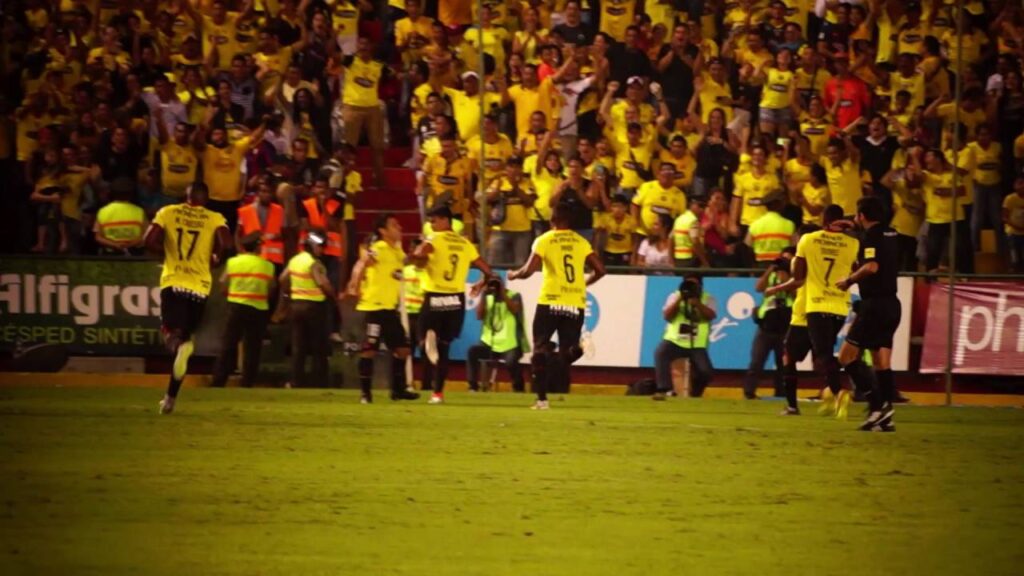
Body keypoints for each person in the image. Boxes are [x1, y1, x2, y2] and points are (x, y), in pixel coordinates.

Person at [144, 183, 231, 415]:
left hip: (174, 281)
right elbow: (228, 244)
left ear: (186, 196)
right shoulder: (214, 218)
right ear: (207, 199)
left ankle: (179, 346)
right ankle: (169, 400)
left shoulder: (168, 212)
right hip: (200, 287)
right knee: (185, 341)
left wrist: (167, 254)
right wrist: (215, 258)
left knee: (172, 337)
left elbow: (149, 241)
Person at [508, 204, 606, 410]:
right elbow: (600, 269)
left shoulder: (545, 240)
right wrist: (584, 283)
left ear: (552, 221)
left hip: (551, 301)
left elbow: (529, 270)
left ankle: (542, 400)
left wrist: (514, 274)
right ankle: (579, 347)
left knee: (540, 351)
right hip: (574, 303)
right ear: (569, 222)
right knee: (565, 355)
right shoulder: (581, 241)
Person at [766, 204, 858, 419]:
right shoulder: (851, 243)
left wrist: (776, 288)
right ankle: (828, 394)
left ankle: (795, 405)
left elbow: (797, 280)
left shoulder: (808, 246)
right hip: (838, 306)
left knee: (791, 356)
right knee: (822, 357)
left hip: (806, 311)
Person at [411, 206, 495, 404]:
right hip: (456, 300)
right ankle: (437, 394)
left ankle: (427, 340)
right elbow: (488, 270)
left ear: (445, 221)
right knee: (445, 348)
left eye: (434, 221)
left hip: (435, 296)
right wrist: (481, 283)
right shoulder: (465, 243)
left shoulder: (434, 239)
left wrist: (418, 258)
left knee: (421, 336)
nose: (431, 225)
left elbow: (421, 255)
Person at [836, 197, 901, 432]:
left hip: (874, 305)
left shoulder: (871, 237)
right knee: (881, 361)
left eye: (856, 215)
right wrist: (855, 230)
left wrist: (849, 280)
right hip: (893, 304)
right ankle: (887, 414)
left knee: (846, 357)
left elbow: (872, 266)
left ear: (862, 215)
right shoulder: (892, 234)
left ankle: (876, 406)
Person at [346, 214, 421, 403]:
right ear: (383, 231)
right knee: (369, 349)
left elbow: (407, 262)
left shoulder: (396, 250)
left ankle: (397, 390)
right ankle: (365, 393)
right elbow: (362, 263)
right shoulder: (378, 248)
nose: (400, 227)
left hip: (389, 308)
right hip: (374, 307)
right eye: (394, 225)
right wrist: (354, 284)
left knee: (403, 349)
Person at [211, 232, 275, 388]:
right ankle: (247, 383)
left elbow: (222, 284)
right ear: (258, 246)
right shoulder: (267, 266)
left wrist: (231, 295)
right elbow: (271, 289)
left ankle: (219, 381)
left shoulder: (233, 262)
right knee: (253, 348)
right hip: (258, 309)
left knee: (228, 344)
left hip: (236, 306)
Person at [279, 232, 336, 389]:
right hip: (314, 308)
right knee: (319, 346)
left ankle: (295, 381)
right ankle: (320, 382)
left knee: (298, 347)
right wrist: (332, 295)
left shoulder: (294, 260)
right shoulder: (314, 263)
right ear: (313, 246)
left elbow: (282, 279)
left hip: (296, 306)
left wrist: (288, 292)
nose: (322, 250)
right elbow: (322, 284)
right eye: (320, 247)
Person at [651, 275, 717, 399]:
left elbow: (711, 316)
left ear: (700, 287)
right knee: (660, 353)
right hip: (675, 341)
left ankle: (695, 393)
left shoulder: (708, 298)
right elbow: (667, 316)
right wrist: (679, 299)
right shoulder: (674, 296)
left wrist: (697, 304)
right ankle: (665, 389)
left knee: (706, 372)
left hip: (696, 343)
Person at [742, 246, 795, 400]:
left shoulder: (796, 277)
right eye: (783, 258)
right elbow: (758, 287)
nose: (784, 262)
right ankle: (749, 391)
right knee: (757, 360)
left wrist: (786, 280)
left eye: (788, 259)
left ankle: (781, 392)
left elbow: (796, 295)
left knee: (783, 362)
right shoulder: (772, 275)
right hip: (766, 324)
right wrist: (771, 268)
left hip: (785, 324)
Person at [466, 276, 528, 393]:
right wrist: (483, 295)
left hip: (510, 344)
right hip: (489, 344)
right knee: (472, 352)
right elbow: (479, 316)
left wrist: (502, 293)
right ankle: (472, 387)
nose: (494, 286)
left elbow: (515, 309)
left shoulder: (514, 295)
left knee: (511, 362)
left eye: (496, 283)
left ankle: (518, 387)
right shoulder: (488, 297)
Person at [746, 192, 796, 266]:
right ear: (780, 205)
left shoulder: (755, 225)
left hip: (760, 267)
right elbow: (795, 246)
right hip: (782, 267)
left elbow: (747, 246)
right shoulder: (789, 225)